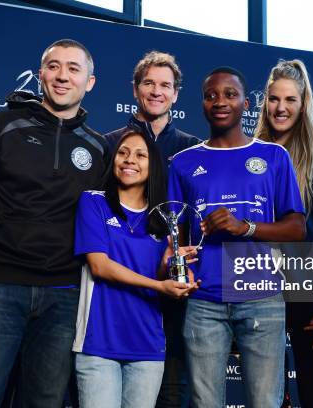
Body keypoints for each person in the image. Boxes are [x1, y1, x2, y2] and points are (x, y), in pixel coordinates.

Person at [0, 39, 109, 407]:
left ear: (89, 82)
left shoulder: (99, 148)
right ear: (41, 74)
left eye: (73, 69)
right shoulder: (2, 126)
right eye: (54, 66)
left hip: (64, 296)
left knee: (44, 402)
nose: (62, 76)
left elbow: (106, 225)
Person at [168, 66, 306, 408]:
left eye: (230, 94)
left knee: (265, 402)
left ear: (246, 104)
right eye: (211, 95)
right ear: (202, 104)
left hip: (261, 295)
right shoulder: (183, 163)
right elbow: (176, 238)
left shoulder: (274, 157)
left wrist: (244, 227)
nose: (220, 101)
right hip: (204, 301)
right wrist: (176, 263)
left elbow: (297, 229)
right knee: (205, 402)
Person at [73, 130, 199, 408]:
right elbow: (99, 265)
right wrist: (158, 285)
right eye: (123, 152)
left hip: (148, 345)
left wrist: (172, 269)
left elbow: (159, 277)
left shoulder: (164, 220)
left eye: (141, 155)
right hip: (99, 343)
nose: (130, 160)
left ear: (153, 165)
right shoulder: (93, 202)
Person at [104, 50, 200, 408]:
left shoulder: (192, 149)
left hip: (175, 281)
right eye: (149, 83)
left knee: (173, 386)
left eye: (165, 85)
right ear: (135, 89)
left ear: (176, 94)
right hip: (120, 278)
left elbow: (196, 217)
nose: (157, 91)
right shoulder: (110, 144)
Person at [254, 59, 313, 408]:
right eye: (274, 99)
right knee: (265, 395)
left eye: (290, 100)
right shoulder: (249, 155)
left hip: (312, 291)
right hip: (259, 287)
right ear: (265, 102)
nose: (281, 108)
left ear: (302, 103)